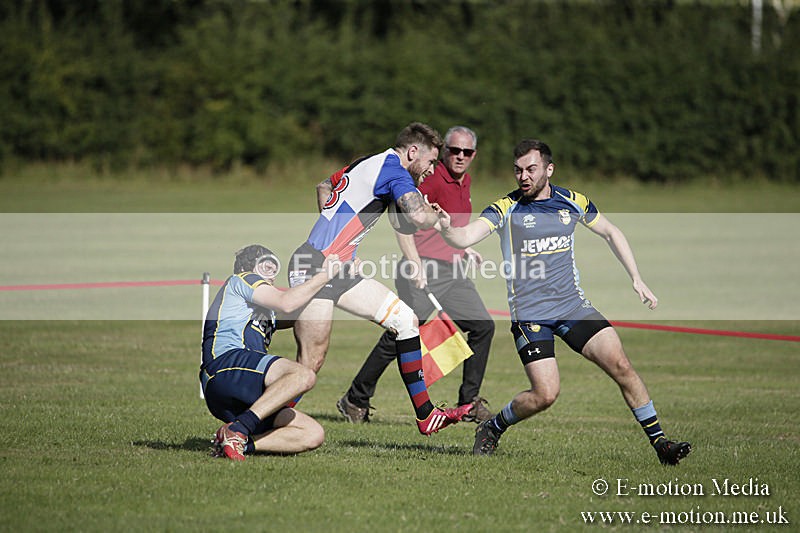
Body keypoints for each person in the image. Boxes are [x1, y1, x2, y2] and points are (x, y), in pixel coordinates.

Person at [434, 139, 692, 465]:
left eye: (531, 169)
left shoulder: (573, 201)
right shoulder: (506, 208)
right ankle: (493, 427)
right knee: (545, 395)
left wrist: (636, 278)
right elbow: (464, 237)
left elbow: (611, 232)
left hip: (573, 308)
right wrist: (446, 229)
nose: (523, 176)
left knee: (622, 366)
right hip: (530, 317)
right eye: (518, 170)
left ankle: (661, 445)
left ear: (548, 169)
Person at [288, 122, 476, 435]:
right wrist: (440, 220)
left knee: (405, 319)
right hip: (313, 267)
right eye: (430, 161)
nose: (432, 170)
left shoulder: (367, 161)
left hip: (338, 269)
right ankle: (252, 422)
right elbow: (417, 217)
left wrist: (340, 243)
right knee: (310, 363)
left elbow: (324, 186)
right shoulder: (395, 171)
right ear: (413, 152)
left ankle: (426, 416)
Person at [337, 126, 495, 424]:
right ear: (444, 151)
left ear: (474, 154)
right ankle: (355, 399)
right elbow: (402, 220)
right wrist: (414, 263)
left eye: (467, 152)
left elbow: (448, 225)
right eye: (454, 151)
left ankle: (468, 403)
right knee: (403, 331)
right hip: (423, 269)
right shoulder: (430, 177)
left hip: (453, 270)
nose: (460, 157)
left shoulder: (466, 181)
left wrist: (464, 248)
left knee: (483, 326)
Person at [200, 244, 342, 461]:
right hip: (224, 366)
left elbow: (302, 310)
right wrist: (325, 275)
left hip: (243, 388)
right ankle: (240, 428)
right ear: (250, 267)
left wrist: (340, 280)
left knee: (313, 434)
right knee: (302, 375)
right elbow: (287, 303)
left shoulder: (265, 310)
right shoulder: (243, 279)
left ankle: (237, 442)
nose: (271, 274)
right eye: (266, 265)